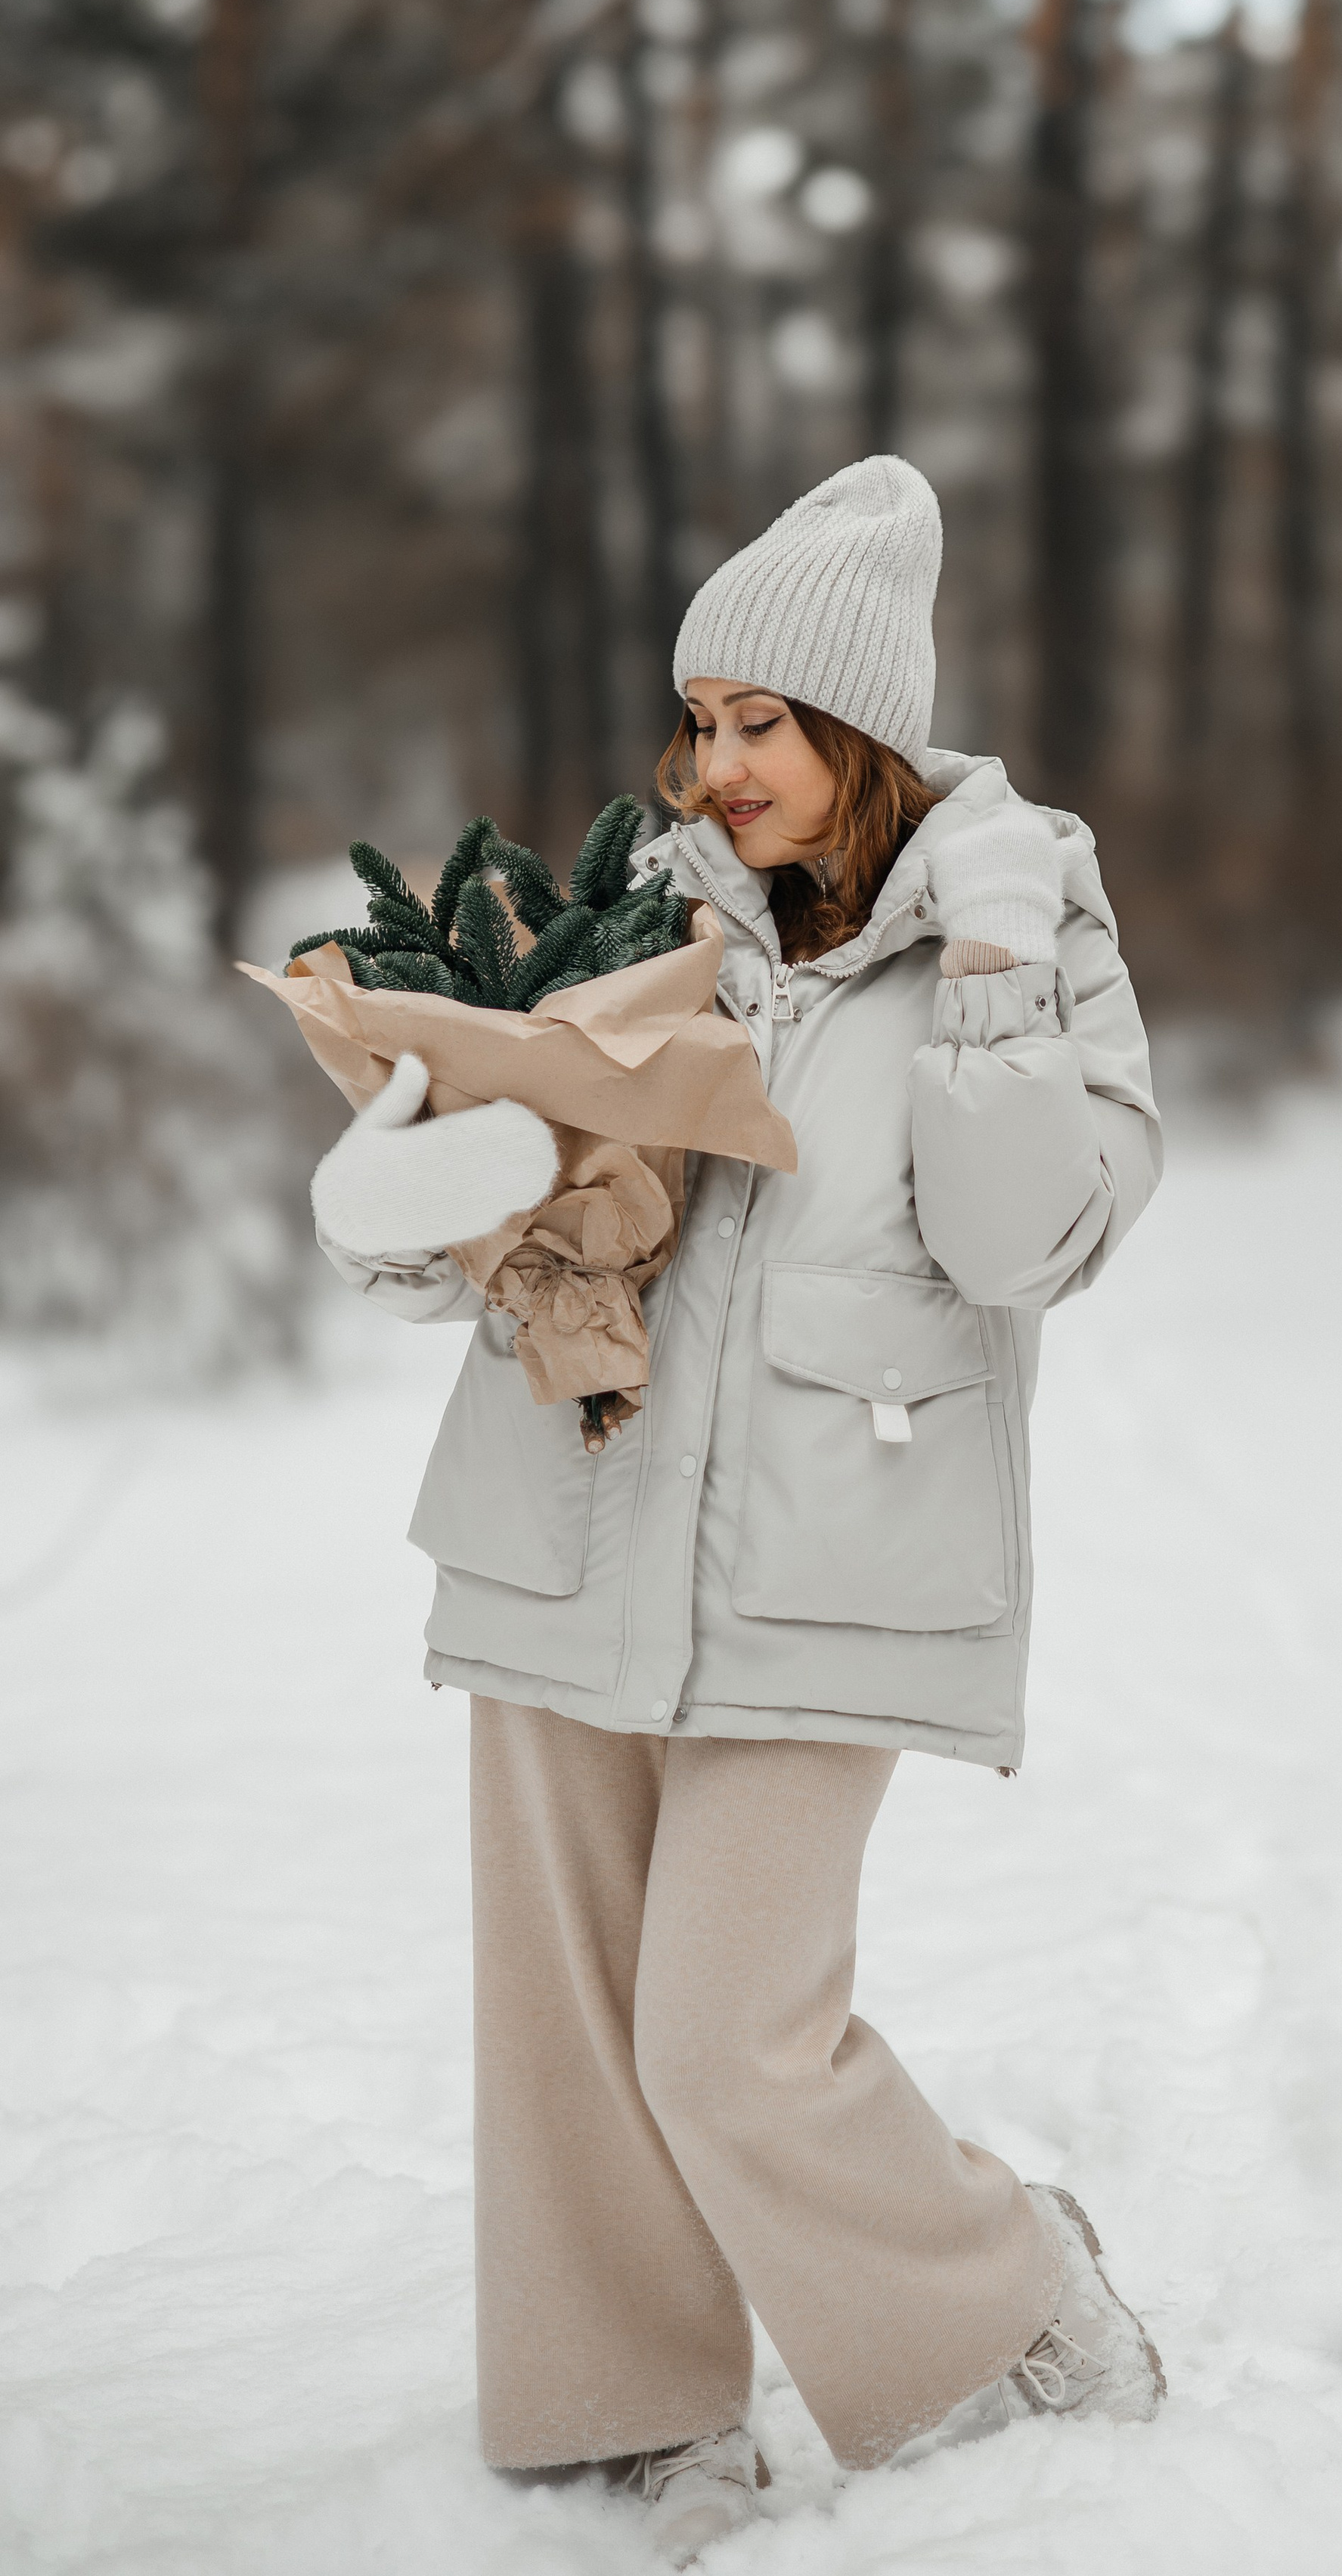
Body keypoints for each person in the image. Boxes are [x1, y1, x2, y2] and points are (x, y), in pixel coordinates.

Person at [312, 456, 1165, 2561]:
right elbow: (499, 1219)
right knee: (571, 2014)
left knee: (726, 2032)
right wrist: (412, 1179)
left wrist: (981, 966)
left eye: (761, 722)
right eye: (699, 719)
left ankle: (1016, 2314)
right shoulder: (634, 919)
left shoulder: (1030, 921)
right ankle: (624, 2407)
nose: (715, 764)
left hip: (836, 1552)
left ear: (862, 726)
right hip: (569, 1509)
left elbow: (1020, 1244)